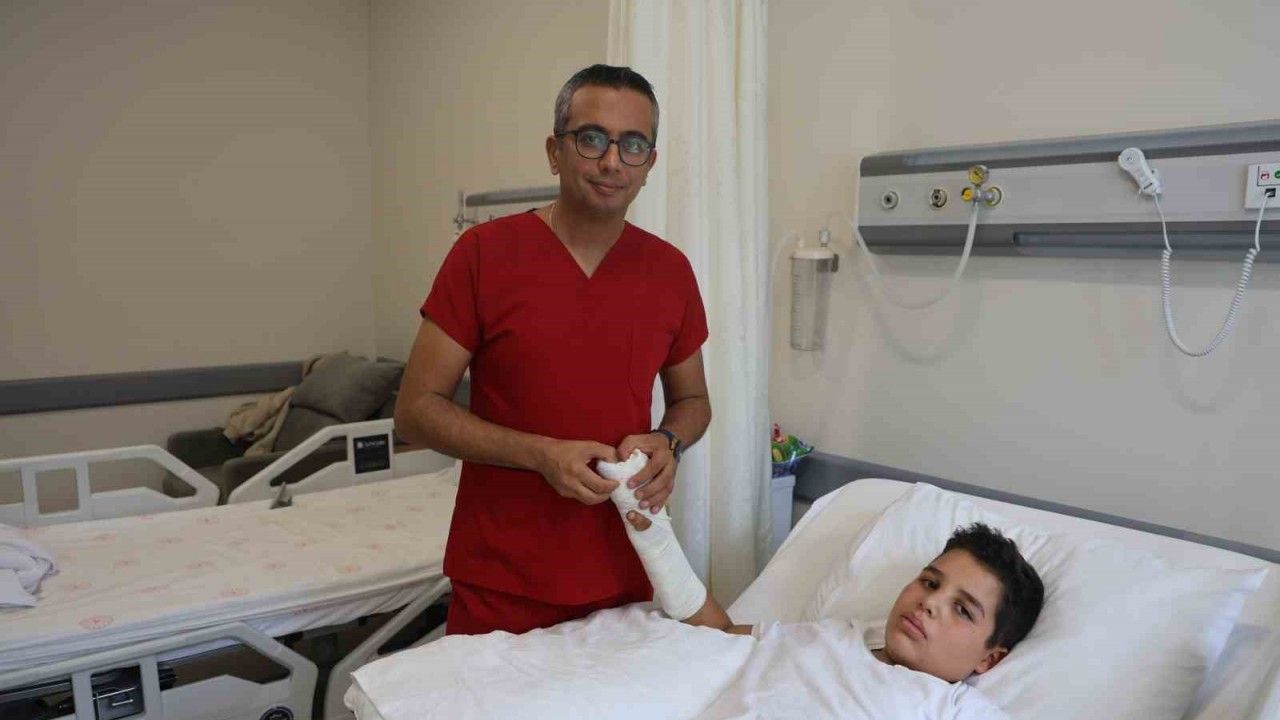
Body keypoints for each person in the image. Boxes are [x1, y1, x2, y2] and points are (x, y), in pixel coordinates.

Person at [395, 64, 712, 636]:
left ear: (649, 164)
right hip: (502, 579)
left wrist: (669, 442)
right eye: (592, 138)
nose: (612, 161)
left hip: (627, 573)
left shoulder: (670, 272)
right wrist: (540, 455)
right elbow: (416, 411)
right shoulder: (483, 255)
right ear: (554, 151)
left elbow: (693, 401)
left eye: (632, 145)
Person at [602, 452, 1043, 715]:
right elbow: (719, 633)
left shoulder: (951, 708)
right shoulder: (830, 638)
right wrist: (658, 543)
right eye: (930, 583)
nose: (931, 603)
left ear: (989, 658)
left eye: (962, 609)